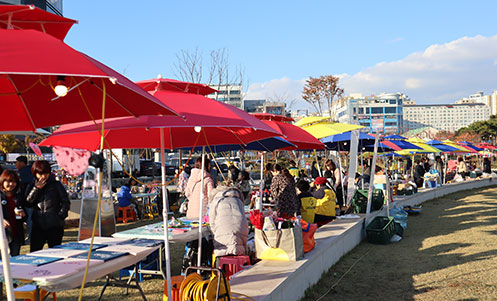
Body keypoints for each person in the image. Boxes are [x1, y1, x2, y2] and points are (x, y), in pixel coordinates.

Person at [25, 160, 70, 252]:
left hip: (54, 224)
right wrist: (36, 189)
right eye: (40, 174)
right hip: (38, 224)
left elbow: (65, 201)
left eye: (46, 173)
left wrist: (61, 215)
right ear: (35, 174)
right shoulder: (31, 185)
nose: (43, 176)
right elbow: (28, 202)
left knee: (55, 251)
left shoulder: (56, 185)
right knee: (35, 251)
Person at [209, 185, 248, 258]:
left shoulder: (217, 200)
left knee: (216, 243)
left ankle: (218, 267)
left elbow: (212, 222)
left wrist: (214, 234)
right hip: (241, 236)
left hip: (224, 239)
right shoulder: (238, 200)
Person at [0, 170, 26, 256]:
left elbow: (25, 215)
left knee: (15, 261)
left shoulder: (18, 196)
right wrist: (1, 220)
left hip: (16, 234)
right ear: (2, 181)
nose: (11, 184)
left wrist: (23, 214)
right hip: (2, 235)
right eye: (8, 181)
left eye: (14, 182)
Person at [16, 155, 34, 242]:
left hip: (27, 199)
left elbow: (26, 186)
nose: (16, 165)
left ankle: (30, 237)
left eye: (17, 163)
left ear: (22, 163)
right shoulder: (30, 171)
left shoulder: (24, 172)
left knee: (29, 218)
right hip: (30, 198)